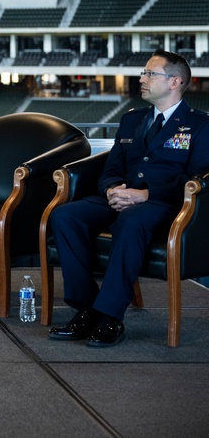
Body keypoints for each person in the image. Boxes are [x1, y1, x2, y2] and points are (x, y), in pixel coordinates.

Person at [49, 50, 209, 346]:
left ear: (175, 81)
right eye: (143, 73)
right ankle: (86, 309)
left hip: (165, 205)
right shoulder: (132, 120)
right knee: (64, 216)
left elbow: (198, 179)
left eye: (150, 73)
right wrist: (112, 190)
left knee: (131, 221)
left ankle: (110, 317)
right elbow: (111, 168)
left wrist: (145, 194)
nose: (142, 78)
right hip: (121, 198)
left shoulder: (200, 124)